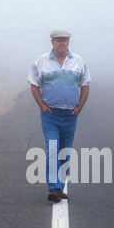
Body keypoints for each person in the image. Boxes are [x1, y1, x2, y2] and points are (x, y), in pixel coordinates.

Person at [28, 30, 91, 202]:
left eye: (64, 40)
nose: (61, 43)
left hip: (70, 115)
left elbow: (85, 85)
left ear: (68, 42)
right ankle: (54, 188)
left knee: (65, 153)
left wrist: (79, 107)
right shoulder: (42, 61)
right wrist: (41, 105)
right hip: (50, 114)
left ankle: (60, 186)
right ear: (52, 42)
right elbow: (34, 84)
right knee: (53, 150)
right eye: (58, 40)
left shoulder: (78, 61)